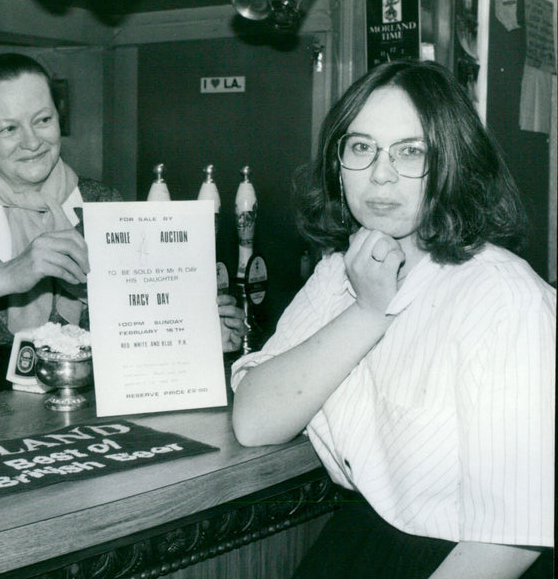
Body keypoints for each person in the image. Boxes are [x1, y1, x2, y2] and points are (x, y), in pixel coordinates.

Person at [230, 60, 554, 579]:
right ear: (338, 162)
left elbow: (513, 537)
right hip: (363, 538)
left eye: (411, 152)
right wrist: (367, 311)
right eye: (361, 148)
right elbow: (255, 422)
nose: (381, 175)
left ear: (453, 163)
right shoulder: (340, 270)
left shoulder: (504, 298)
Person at [0, 53, 245, 377]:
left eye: (43, 120)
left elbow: (133, 322)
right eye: (8, 129)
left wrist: (196, 329)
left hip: (80, 410)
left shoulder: (99, 201)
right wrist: (10, 274)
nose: (33, 142)